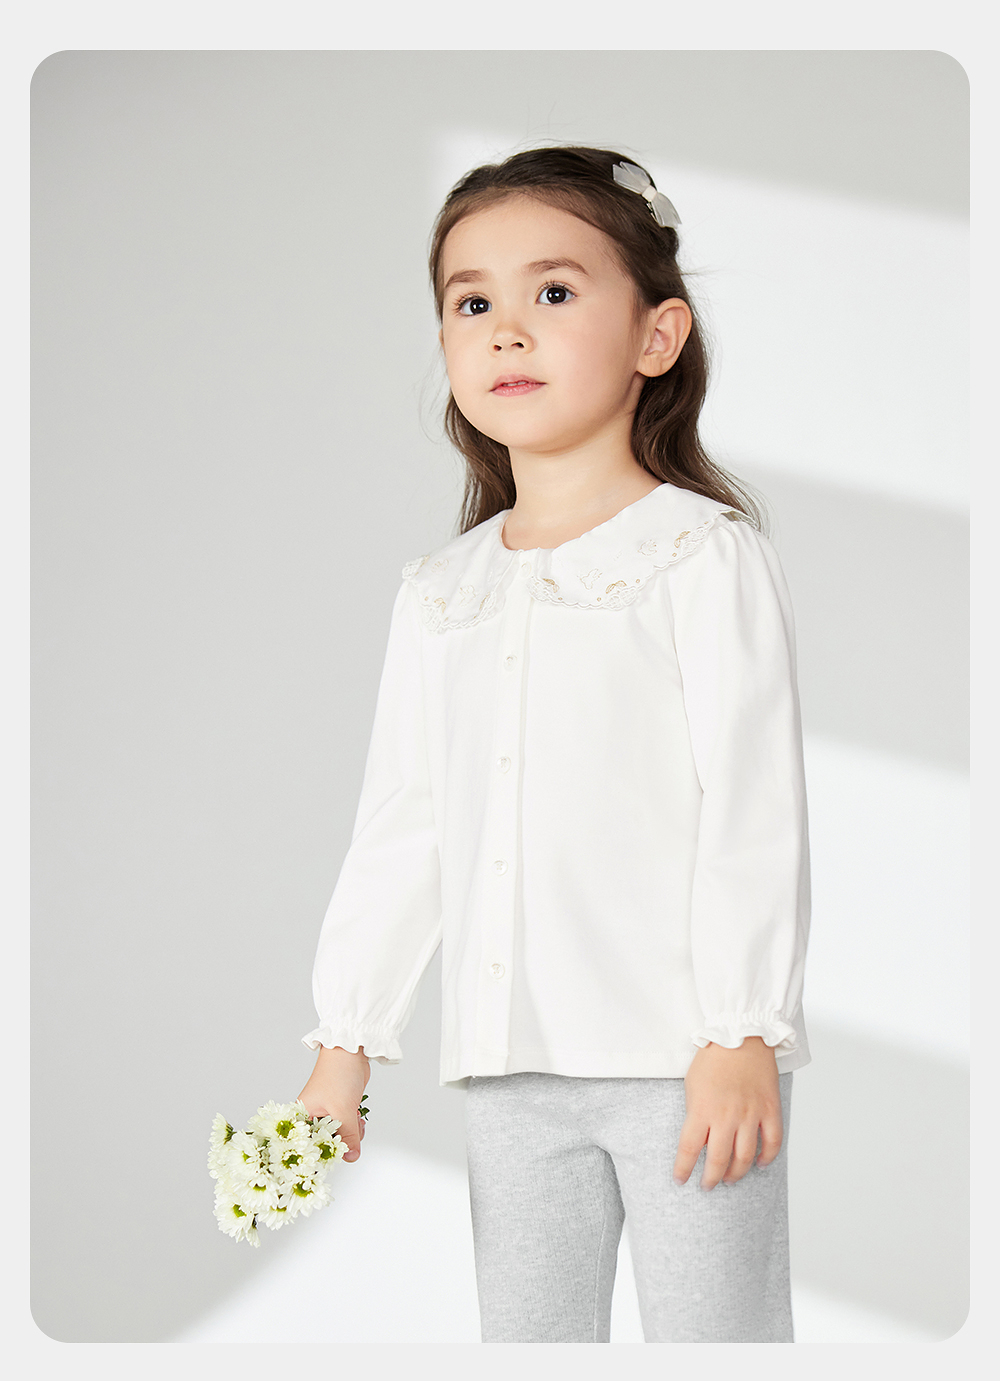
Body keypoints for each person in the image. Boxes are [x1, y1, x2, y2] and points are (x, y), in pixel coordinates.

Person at [297, 144, 811, 1344]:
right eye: (472, 302)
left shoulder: (700, 555)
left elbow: (750, 802)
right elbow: (405, 828)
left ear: (656, 335)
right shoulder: (440, 591)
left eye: (555, 291)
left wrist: (742, 1025)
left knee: (718, 1339)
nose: (508, 331)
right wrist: (344, 1044)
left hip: (686, 1060)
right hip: (509, 1067)